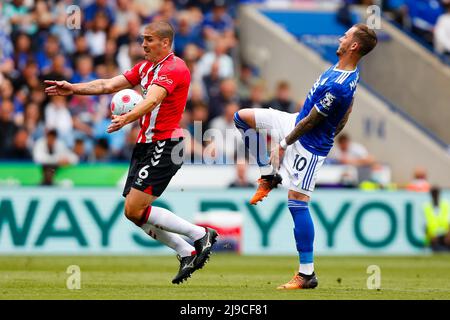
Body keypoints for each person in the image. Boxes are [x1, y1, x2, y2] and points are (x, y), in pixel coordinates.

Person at [44, 21, 218, 285]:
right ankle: (186, 251)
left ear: (165, 43)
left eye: (148, 39)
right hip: (146, 145)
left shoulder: (175, 68)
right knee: (132, 212)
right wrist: (74, 88)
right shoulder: (145, 68)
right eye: (142, 39)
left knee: (136, 207)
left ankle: (200, 234)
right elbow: (107, 85)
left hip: (167, 144)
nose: (143, 44)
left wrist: (126, 120)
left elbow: (152, 100)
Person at [234, 24, 377, 289]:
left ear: (354, 46)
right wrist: (334, 130)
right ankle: (268, 176)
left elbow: (313, 121)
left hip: (307, 144)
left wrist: (284, 144)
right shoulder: (345, 72)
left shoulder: (340, 86)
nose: (340, 37)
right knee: (241, 118)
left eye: (346, 35)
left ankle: (306, 273)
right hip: (294, 122)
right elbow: (344, 113)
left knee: (297, 203)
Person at [424, 186, 450, 251]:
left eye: (436, 193)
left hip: (445, 236)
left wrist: (448, 235)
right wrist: (431, 235)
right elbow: (425, 225)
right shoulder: (426, 207)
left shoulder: (446, 205)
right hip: (433, 238)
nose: (435, 196)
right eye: (433, 194)